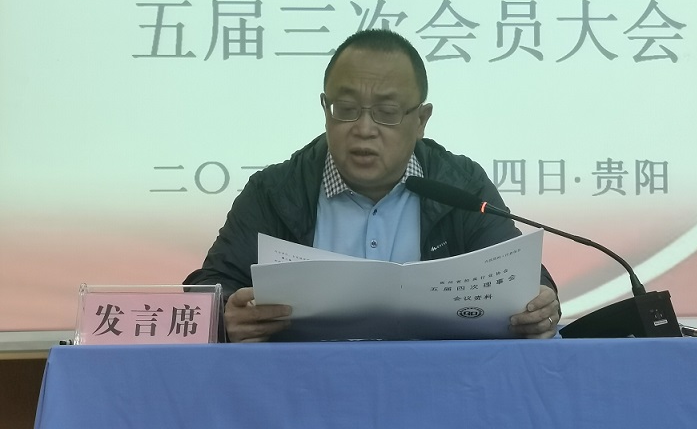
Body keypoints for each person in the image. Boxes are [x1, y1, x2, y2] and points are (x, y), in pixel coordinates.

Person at [185, 29, 560, 342]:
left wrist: (540, 303)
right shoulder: (274, 192)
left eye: (387, 112)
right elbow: (210, 290)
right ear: (325, 109)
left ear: (421, 119)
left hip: (437, 387)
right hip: (304, 389)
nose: (364, 129)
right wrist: (225, 317)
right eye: (346, 109)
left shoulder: (461, 186)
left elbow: (517, 274)